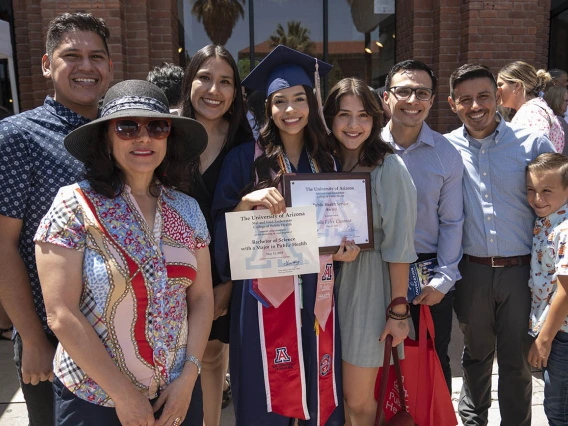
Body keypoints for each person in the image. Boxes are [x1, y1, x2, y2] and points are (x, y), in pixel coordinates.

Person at [34, 80, 213, 426]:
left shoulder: (187, 209)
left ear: (169, 137)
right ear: (106, 138)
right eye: (127, 127)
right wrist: (123, 394)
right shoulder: (74, 205)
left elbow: (203, 297)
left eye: (157, 126)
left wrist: (190, 377)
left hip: (176, 393)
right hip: (95, 398)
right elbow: (61, 312)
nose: (143, 138)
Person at [212, 45, 357, 426]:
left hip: (316, 288)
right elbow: (218, 229)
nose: (290, 110)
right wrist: (245, 202)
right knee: (264, 392)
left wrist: (343, 249)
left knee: (316, 378)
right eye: (280, 101)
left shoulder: (327, 160)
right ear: (268, 108)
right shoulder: (245, 158)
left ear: (311, 103)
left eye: (299, 99)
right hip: (262, 295)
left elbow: (342, 222)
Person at [0, 12, 113, 426]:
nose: (86, 66)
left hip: (121, 340)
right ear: (47, 64)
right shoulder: (17, 137)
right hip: (52, 339)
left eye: (96, 56)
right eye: (72, 56)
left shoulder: (119, 133)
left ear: (110, 66)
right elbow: (2, 244)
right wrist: (30, 338)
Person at [445, 63, 555, 426]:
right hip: (471, 270)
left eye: (483, 97)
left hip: (521, 272)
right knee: (475, 357)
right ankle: (473, 421)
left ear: (499, 98)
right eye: (465, 99)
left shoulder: (532, 144)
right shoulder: (445, 150)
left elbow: (557, 202)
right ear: (452, 103)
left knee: (516, 363)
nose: (475, 106)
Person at [323, 77, 417, 425]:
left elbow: (400, 245)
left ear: (376, 119)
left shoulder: (389, 168)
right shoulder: (324, 165)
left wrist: (398, 311)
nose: (353, 125)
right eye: (344, 115)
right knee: (332, 395)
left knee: (358, 399)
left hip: (368, 288)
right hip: (327, 282)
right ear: (330, 118)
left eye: (363, 115)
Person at [179, 44, 253, 426]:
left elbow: (249, 221)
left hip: (223, 267)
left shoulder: (244, 142)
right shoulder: (167, 131)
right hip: (170, 268)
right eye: (204, 77)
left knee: (210, 353)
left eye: (225, 81)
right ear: (189, 81)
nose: (214, 89)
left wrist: (227, 281)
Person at [381, 59, 464, 393]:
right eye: (403, 91)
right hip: (376, 267)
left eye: (421, 92)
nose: (412, 100)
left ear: (431, 100)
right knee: (378, 357)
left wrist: (445, 279)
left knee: (432, 360)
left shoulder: (446, 153)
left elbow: (452, 221)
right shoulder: (367, 146)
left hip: (428, 271)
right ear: (386, 97)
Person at [525, 153, 568, 426]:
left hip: (562, 335)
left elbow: (566, 291)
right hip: (556, 333)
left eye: (547, 191)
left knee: (558, 410)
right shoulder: (545, 221)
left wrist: (544, 339)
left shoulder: (563, 230)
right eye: (531, 190)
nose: (537, 198)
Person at [497, 61, 565, 152]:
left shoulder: (530, 114)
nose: (497, 90)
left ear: (517, 86)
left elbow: (538, 152)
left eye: (500, 84)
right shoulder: (536, 108)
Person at [543, 86, 568, 155]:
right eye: (566, 101)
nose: (567, 104)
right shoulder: (559, 121)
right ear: (557, 101)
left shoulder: (545, 118)